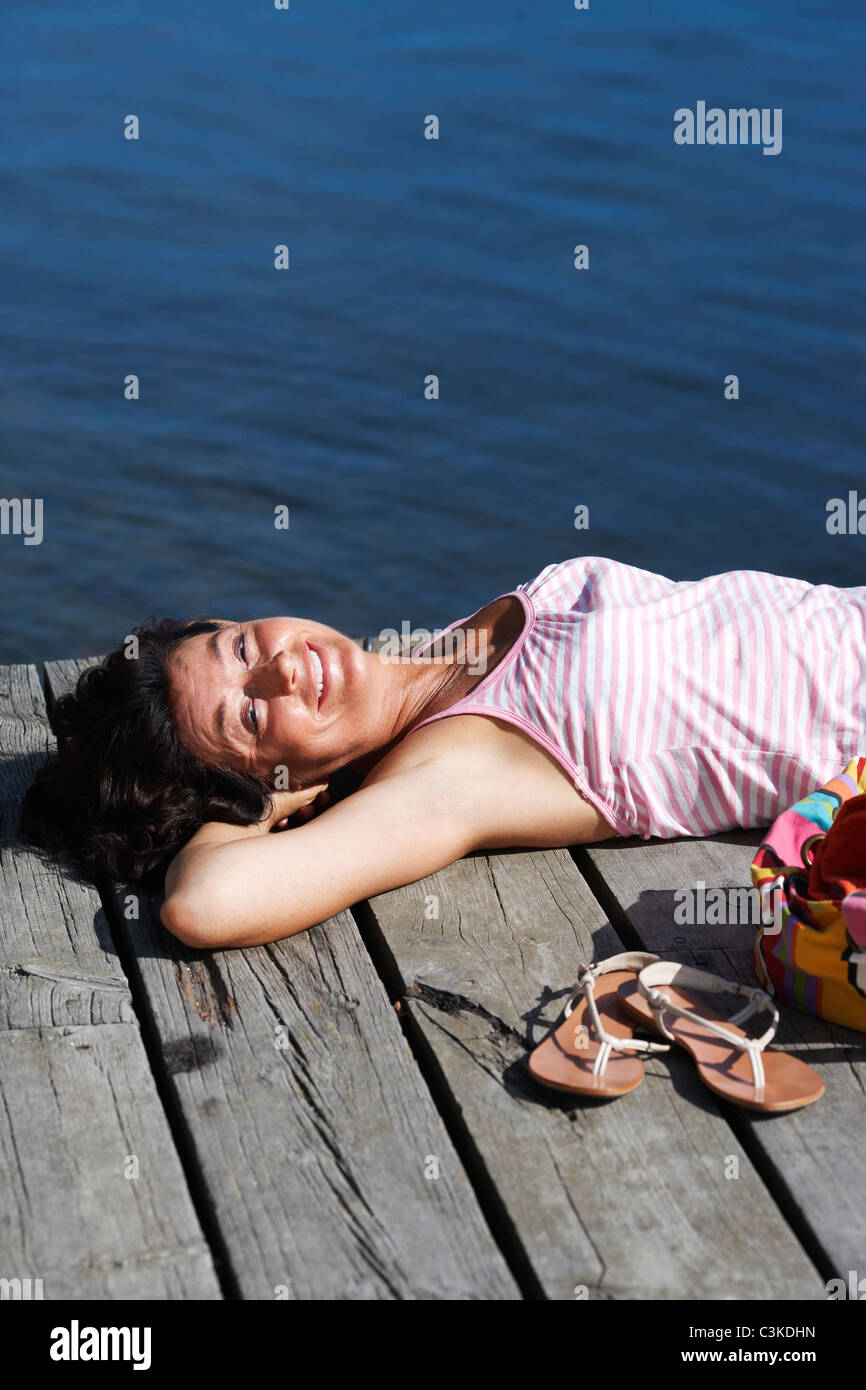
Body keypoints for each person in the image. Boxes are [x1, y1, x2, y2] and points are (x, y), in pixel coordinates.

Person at [23, 556, 865, 951]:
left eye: (242, 648)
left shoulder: (436, 655)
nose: (280, 668)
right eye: (248, 719)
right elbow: (203, 905)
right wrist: (262, 807)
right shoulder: (450, 777)